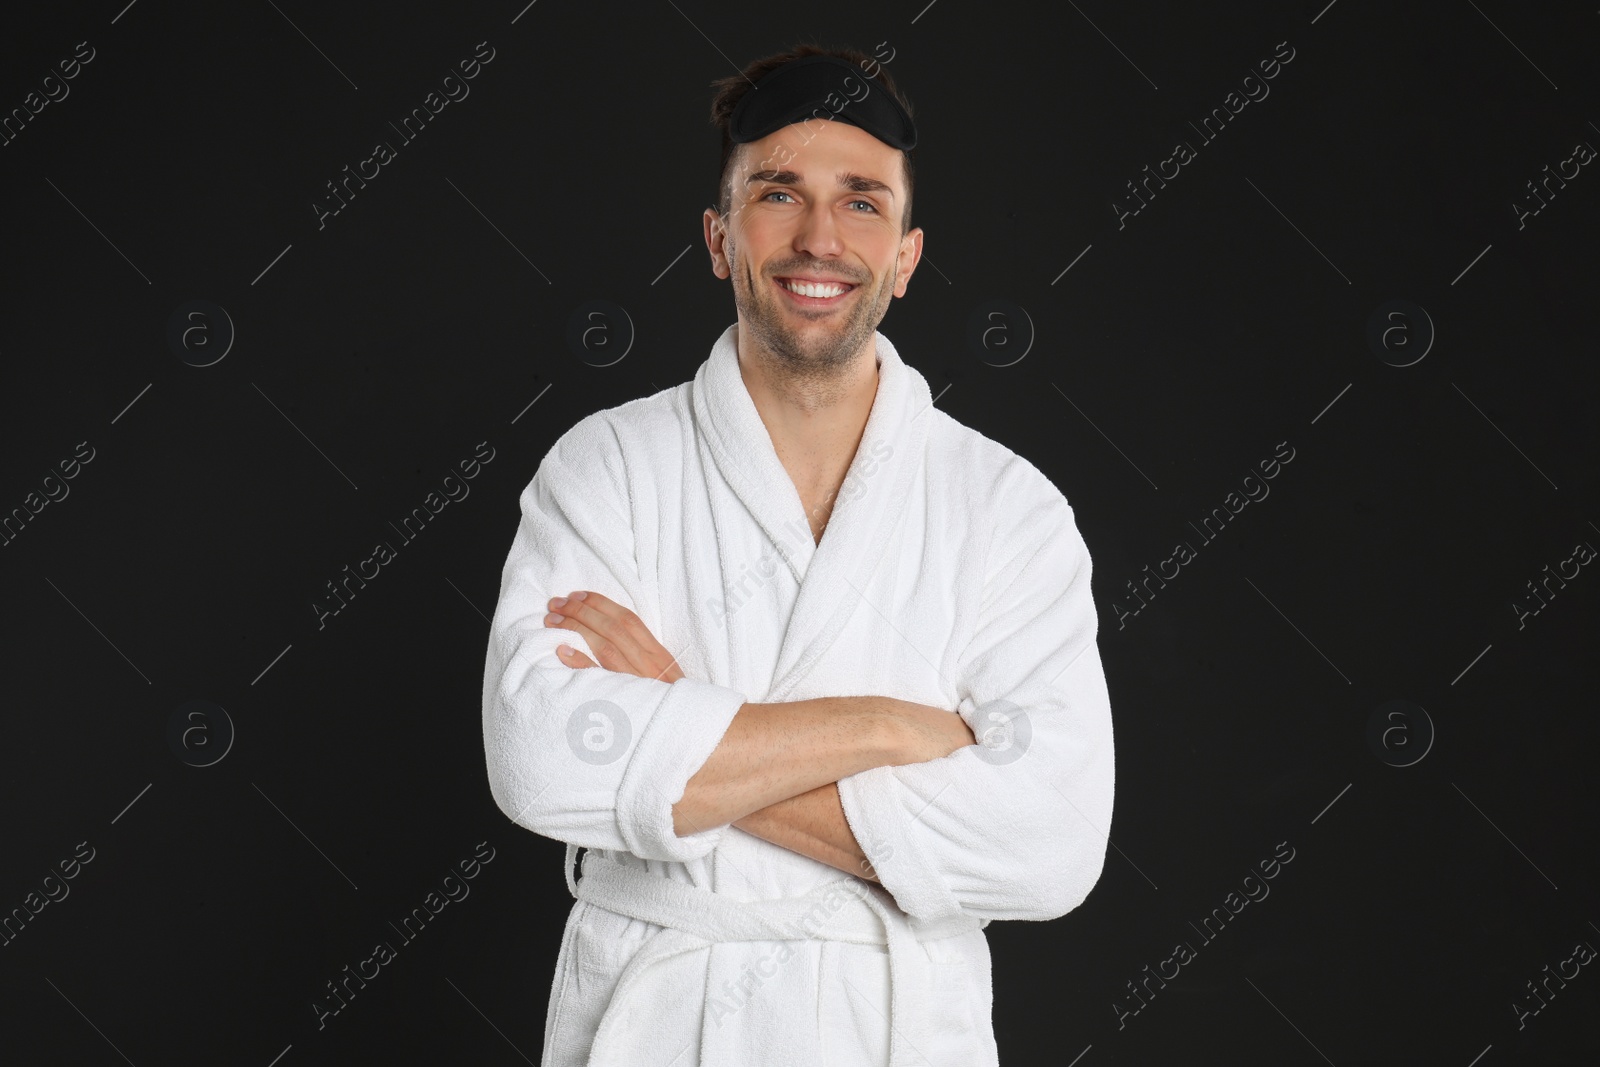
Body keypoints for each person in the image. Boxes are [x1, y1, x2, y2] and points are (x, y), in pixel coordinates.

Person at [481, 42, 1116, 1067]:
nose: (819, 236)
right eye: (778, 192)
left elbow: (1051, 847)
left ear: (905, 257)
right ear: (720, 237)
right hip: (656, 1017)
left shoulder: (1006, 509)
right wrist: (887, 725)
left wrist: (676, 710)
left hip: (900, 1027)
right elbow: (538, 755)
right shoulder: (607, 466)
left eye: (861, 200)